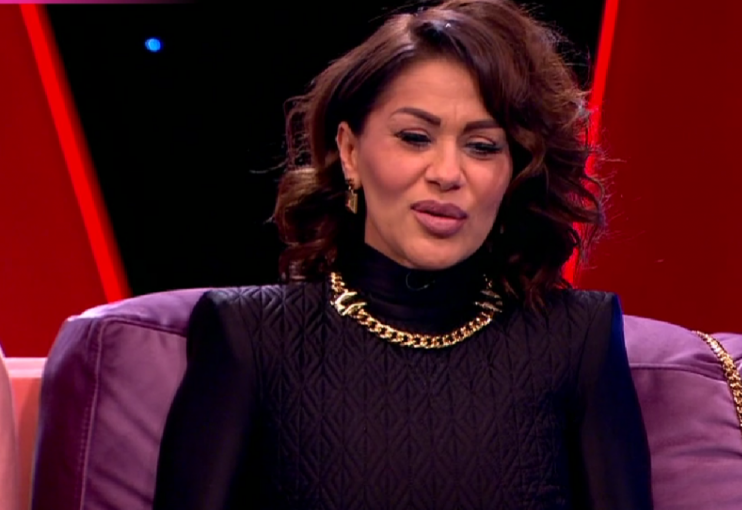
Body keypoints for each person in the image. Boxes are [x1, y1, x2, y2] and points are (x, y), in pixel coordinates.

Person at [153, 0, 653, 508]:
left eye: (483, 146)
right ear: (350, 152)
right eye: (415, 138)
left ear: (514, 173)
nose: (447, 173)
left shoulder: (578, 337)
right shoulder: (248, 334)